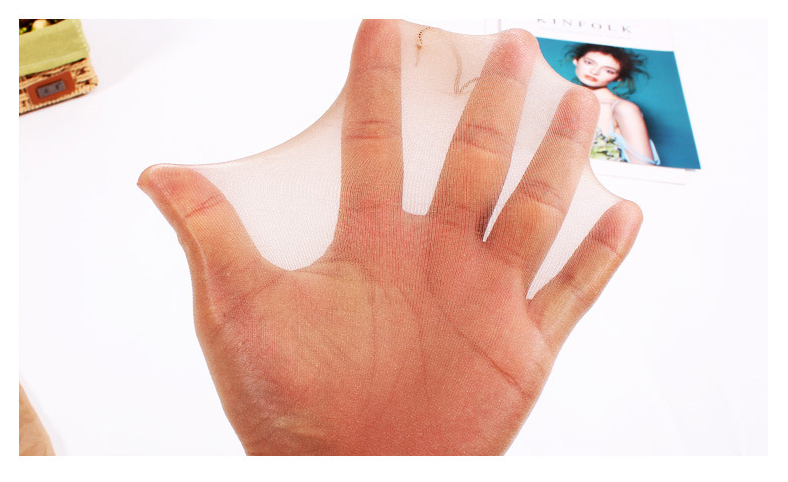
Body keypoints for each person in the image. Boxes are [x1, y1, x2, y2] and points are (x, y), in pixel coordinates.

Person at [569, 43, 659, 165]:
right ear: (576, 60)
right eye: (589, 62)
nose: (594, 71)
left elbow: (645, 167)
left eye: (608, 70)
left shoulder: (624, 108)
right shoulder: (562, 99)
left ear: (618, 78)